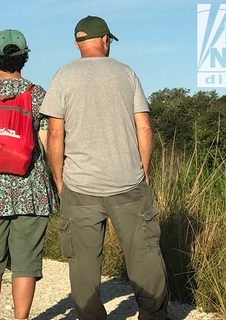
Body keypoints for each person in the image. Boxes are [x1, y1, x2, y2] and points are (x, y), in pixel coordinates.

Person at [40, 16, 169, 320]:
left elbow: (55, 134)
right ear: (105, 40)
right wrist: (144, 170)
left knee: (83, 264)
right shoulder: (126, 73)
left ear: (77, 43)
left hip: (80, 187)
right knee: (144, 257)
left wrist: (59, 179)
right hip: (129, 183)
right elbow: (145, 128)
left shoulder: (63, 76)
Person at [0, 29, 57, 320]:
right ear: (24, 57)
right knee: (26, 261)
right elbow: (46, 140)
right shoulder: (38, 94)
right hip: (31, 190)